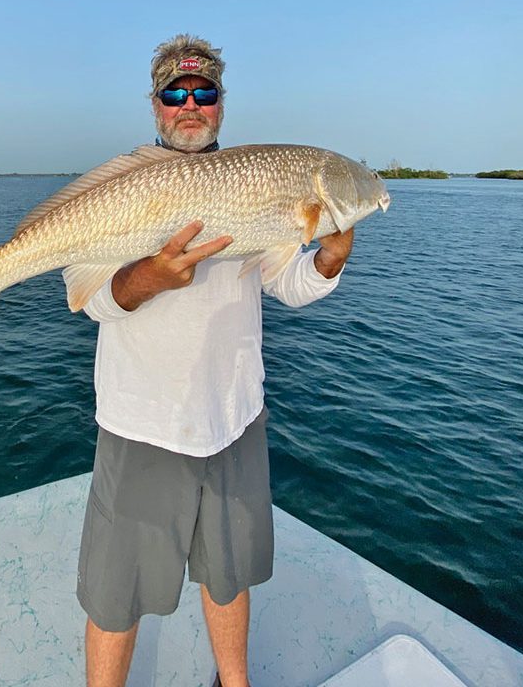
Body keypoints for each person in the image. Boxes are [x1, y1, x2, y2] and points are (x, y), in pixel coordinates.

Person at [67, 34, 354, 687]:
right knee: (118, 593)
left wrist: (330, 258)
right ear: (156, 105)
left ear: (222, 105)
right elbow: (86, 296)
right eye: (176, 93)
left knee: (229, 575)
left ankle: (235, 683)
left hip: (233, 418)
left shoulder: (262, 184)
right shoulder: (126, 184)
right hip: (143, 425)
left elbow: (288, 282)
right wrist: (149, 278)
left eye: (204, 92)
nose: (190, 104)